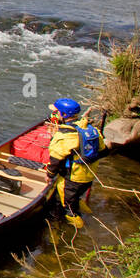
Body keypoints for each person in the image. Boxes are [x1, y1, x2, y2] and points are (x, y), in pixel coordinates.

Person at [46, 97, 99, 229]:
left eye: (57, 112)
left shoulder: (65, 135)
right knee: (73, 196)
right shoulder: (90, 129)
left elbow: (55, 159)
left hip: (72, 178)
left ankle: (78, 228)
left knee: (63, 205)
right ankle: (79, 203)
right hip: (89, 175)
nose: (55, 114)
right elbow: (103, 150)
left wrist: (49, 174)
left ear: (64, 115)